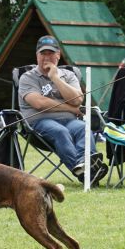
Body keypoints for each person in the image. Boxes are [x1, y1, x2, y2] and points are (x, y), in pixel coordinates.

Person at [18, 35, 108, 186]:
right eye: (43, 53)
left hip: (70, 121)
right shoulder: (27, 77)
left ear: (58, 55)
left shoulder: (69, 75)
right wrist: (71, 109)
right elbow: (39, 103)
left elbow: (77, 100)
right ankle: (88, 172)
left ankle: (87, 168)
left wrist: (56, 78)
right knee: (60, 131)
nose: (47, 57)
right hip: (40, 122)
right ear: (37, 56)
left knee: (83, 129)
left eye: (51, 53)